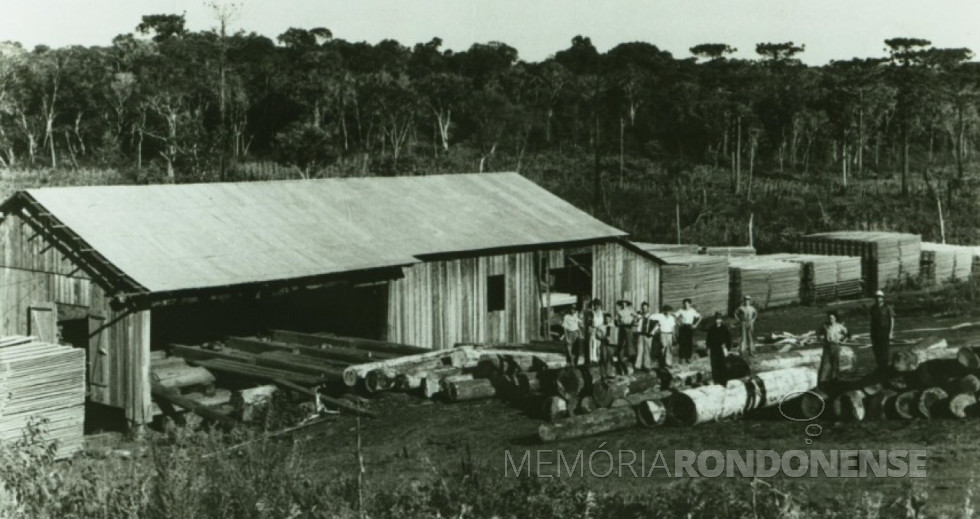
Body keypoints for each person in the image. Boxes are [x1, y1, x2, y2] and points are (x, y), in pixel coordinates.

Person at [818, 311, 849, 387]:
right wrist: (821, 339)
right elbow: (818, 333)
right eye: (829, 318)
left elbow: (847, 335)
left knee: (835, 364)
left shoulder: (839, 326)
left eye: (832, 318)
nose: (830, 319)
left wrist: (843, 341)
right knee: (825, 364)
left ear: (835, 318)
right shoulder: (824, 326)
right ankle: (822, 383)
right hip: (827, 346)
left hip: (836, 346)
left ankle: (834, 381)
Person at [869, 290, 895, 373]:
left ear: (882, 298)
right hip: (875, 332)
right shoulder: (873, 308)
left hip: (885, 331)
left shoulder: (887, 307)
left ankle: (884, 368)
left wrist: (890, 332)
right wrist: (871, 333)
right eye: (876, 297)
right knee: (877, 350)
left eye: (879, 297)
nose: (878, 299)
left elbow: (892, 320)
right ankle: (880, 368)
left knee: (884, 351)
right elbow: (872, 321)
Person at [705, 313, 733, 385]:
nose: (718, 321)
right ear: (714, 320)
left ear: (721, 320)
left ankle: (723, 380)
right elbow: (708, 339)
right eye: (716, 319)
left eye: (719, 319)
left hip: (722, 348)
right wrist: (708, 348)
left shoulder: (724, 328)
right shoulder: (711, 328)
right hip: (714, 348)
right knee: (714, 365)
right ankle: (716, 380)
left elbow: (728, 338)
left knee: (722, 364)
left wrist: (728, 348)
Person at [675, 298, 702, 364]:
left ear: (690, 304)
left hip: (690, 327)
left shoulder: (692, 311)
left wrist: (695, 325)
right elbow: (674, 315)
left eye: (687, 304)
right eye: (684, 304)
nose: (686, 305)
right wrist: (678, 322)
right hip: (683, 327)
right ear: (683, 304)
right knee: (682, 342)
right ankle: (681, 357)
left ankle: (688, 357)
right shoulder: (681, 310)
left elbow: (700, 317)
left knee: (689, 342)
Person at [634, 302, 657, 372]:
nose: (644, 309)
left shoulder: (652, 316)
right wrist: (636, 320)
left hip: (648, 335)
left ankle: (647, 366)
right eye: (643, 308)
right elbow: (635, 323)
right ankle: (638, 366)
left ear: (648, 308)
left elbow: (657, 325)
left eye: (645, 308)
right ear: (642, 308)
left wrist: (652, 333)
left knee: (647, 350)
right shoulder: (639, 316)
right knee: (639, 350)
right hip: (640, 334)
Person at [616, 300, 637, 367]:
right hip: (622, 327)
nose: (623, 305)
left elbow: (636, 316)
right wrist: (619, 323)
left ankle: (631, 359)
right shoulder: (619, 311)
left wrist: (633, 321)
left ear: (627, 304)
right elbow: (616, 320)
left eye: (625, 304)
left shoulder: (630, 311)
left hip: (629, 327)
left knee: (629, 343)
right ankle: (620, 359)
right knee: (621, 343)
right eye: (622, 304)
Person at [600, 313, 620, 378]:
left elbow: (616, 336)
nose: (607, 320)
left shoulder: (613, 326)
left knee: (610, 358)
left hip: (611, 345)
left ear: (610, 319)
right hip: (604, 344)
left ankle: (610, 373)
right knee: (603, 358)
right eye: (606, 319)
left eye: (608, 319)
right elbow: (597, 335)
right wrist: (603, 337)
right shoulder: (601, 326)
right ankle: (603, 373)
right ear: (604, 319)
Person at [586, 299, 604, 367]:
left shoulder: (602, 313)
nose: (597, 306)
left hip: (600, 331)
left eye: (598, 305)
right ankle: (593, 360)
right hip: (593, 330)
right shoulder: (592, 313)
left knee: (599, 346)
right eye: (595, 305)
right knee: (593, 345)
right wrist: (590, 328)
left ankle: (599, 360)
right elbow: (589, 323)